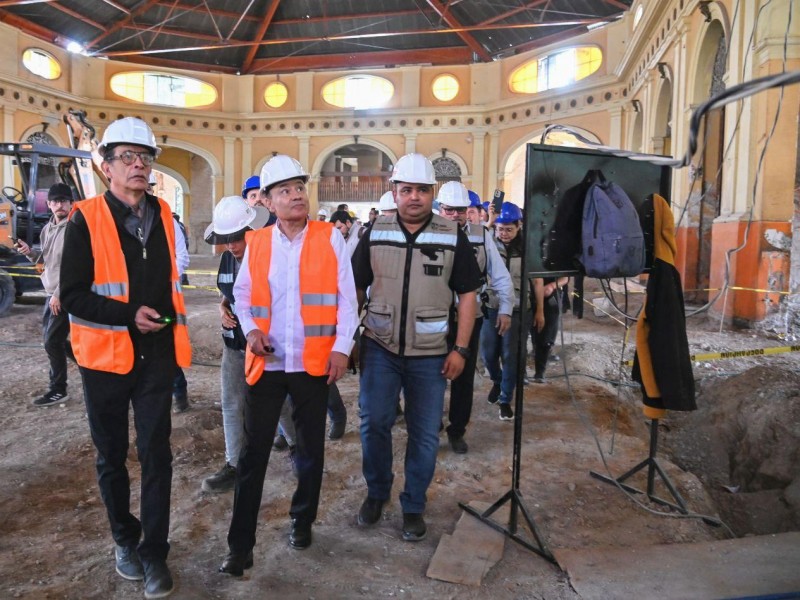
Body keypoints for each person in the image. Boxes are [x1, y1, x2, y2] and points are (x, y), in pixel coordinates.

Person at [60, 116, 191, 598]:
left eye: (145, 157)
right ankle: (124, 537)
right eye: (127, 158)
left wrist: (169, 331)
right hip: (104, 361)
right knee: (112, 456)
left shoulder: (164, 217)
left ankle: (154, 552)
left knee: (158, 454)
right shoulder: (85, 217)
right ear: (106, 167)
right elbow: (72, 294)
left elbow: (173, 291)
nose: (139, 165)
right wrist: (125, 315)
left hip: (155, 356)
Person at [219, 154, 358, 576]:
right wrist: (251, 331)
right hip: (268, 363)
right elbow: (243, 297)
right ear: (269, 202)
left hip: (313, 365)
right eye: (286, 190)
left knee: (309, 451)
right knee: (252, 454)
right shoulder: (257, 242)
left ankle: (302, 518)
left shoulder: (329, 237)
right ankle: (239, 546)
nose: (296, 194)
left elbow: (348, 299)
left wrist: (343, 348)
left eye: (299, 187)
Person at [352, 153, 481, 542]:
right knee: (373, 423)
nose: (413, 198)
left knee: (424, 433)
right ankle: (377, 493)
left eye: (421, 190)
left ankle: (413, 505)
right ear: (394, 191)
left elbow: (469, 295)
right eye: (405, 190)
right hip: (380, 347)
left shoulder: (450, 234)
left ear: (432, 193)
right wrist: (349, 340)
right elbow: (356, 288)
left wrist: (460, 349)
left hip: (431, 355)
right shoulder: (375, 231)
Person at [200, 195, 292, 494]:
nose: (231, 244)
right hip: (234, 346)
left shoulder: (275, 255)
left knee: (281, 406)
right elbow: (229, 290)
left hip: (268, 347)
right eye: (226, 239)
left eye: (237, 237)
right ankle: (234, 464)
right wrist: (223, 305)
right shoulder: (228, 258)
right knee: (232, 403)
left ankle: (298, 449)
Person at [436, 182, 513, 453]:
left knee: (463, 376)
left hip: (471, 317)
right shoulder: (429, 234)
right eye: (449, 210)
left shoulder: (481, 235)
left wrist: (505, 308)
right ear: (439, 209)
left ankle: (457, 430)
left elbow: (500, 274)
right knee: (431, 374)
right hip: (434, 316)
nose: (455, 215)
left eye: (460, 210)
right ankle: (431, 424)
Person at [16, 182, 75, 407]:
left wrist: (59, 293)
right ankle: (89, 369)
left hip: (64, 293)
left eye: (63, 201)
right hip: (50, 292)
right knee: (54, 341)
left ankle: (58, 389)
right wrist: (30, 253)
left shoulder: (74, 228)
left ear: (71, 203)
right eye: (55, 201)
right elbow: (46, 262)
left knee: (52, 341)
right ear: (48, 204)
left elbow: (77, 265)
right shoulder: (48, 228)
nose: (59, 205)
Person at [147, 173, 191, 414]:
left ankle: (179, 393)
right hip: (133, 299)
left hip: (164, 298)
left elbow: (182, 257)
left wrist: (160, 279)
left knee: (166, 348)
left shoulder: (168, 221)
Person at [481, 202, 527, 421]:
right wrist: (490, 219)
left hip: (517, 310)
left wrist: (539, 312)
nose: (504, 233)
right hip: (491, 306)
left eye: (509, 229)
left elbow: (534, 282)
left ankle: (506, 399)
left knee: (510, 355)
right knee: (489, 353)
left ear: (519, 227)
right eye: (500, 229)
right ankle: (497, 381)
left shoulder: (526, 251)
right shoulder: (488, 244)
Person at [530, 276, 569, 383]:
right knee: (521, 336)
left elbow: (565, 278)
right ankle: (521, 374)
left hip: (550, 297)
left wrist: (552, 286)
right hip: (527, 295)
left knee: (546, 338)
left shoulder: (558, 260)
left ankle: (540, 372)